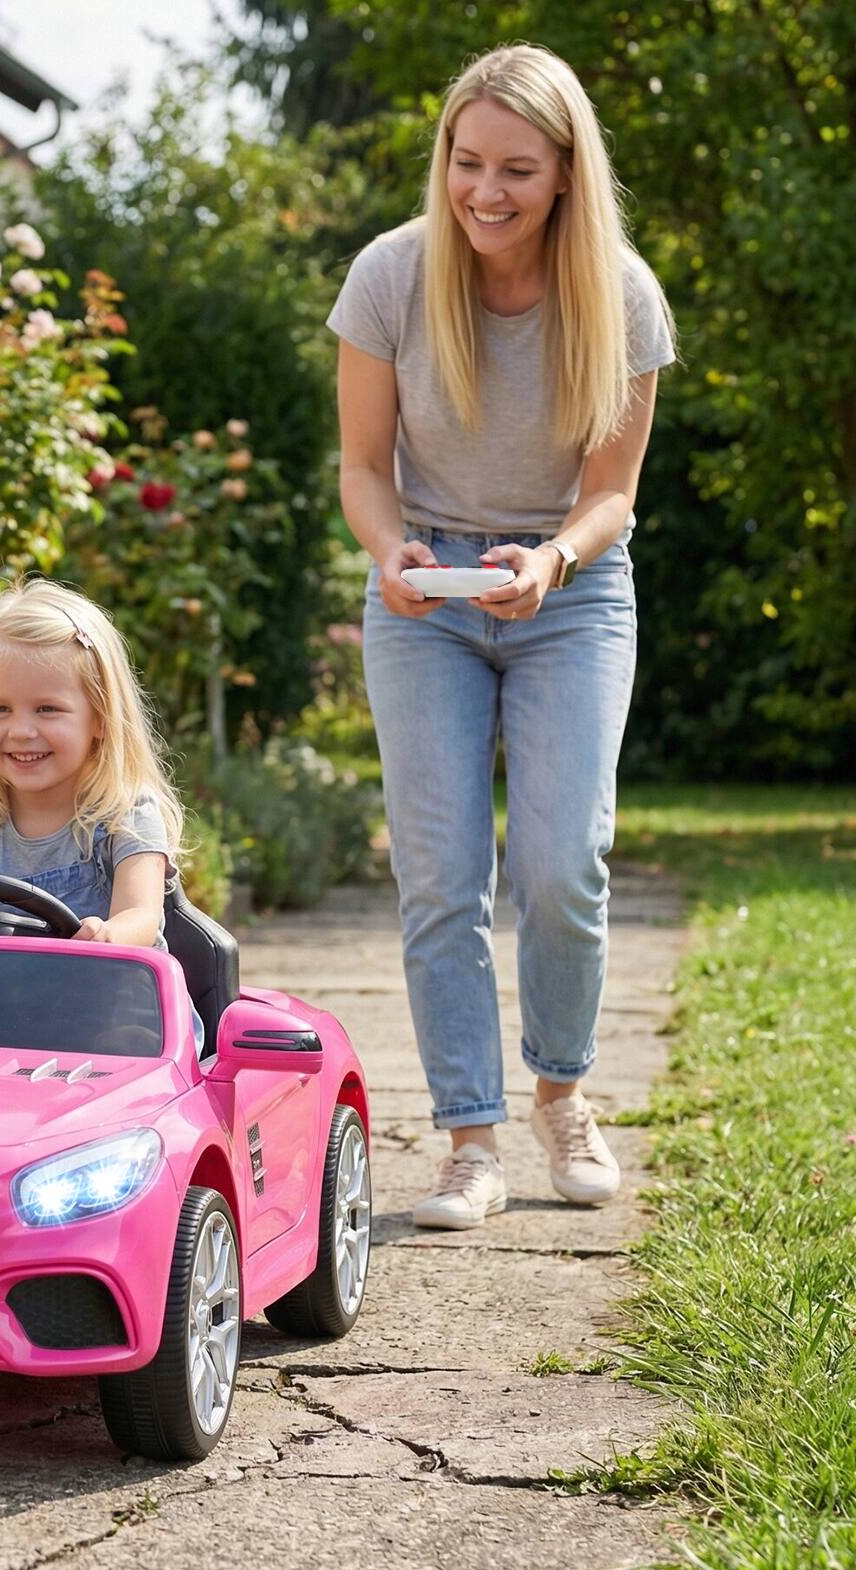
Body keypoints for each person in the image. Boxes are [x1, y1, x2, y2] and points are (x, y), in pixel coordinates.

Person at [328, 44, 676, 1228]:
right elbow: (362, 469)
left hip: (568, 591)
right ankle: (468, 1137)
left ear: (567, 172)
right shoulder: (389, 277)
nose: (486, 190)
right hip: (425, 590)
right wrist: (392, 557)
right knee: (439, 875)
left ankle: (562, 1095)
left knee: (561, 864)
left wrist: (554, 558)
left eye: (516, 169)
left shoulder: (619, 295)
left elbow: (612, 493)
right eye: (466, 162)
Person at [0, 576, 202, 1052]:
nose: (21, 731)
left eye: (46, 709)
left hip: (112, 1019)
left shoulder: (125, 813)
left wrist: (110, 934)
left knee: (122, 1044)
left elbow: (142, 914)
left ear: (100, 718)